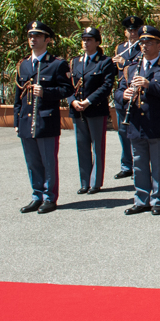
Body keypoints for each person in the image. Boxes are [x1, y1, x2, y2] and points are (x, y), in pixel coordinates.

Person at [117, 25, 160, 216]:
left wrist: (149, 85)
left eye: (149, 42)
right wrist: (125, 95)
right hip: (137, 123)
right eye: (142, 42)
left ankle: (157, 200)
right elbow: (118, 92)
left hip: (157, 123)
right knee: (139, 164)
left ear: (159, 45)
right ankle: (141, 199)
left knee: (159, 166)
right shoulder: (131, 68)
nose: (144, 46)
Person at [15, 21, 73, 214]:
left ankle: (50, 197)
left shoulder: (56, 64)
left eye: (38, 36)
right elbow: (18, 96)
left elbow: (67, 89)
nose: (33, 39)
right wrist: (17, 121)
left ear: (47, 40)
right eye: (31, 36)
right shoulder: (23, 64)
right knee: (32, 162)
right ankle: (36, 195)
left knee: (48, 161)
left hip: (46, 120)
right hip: (26, 120)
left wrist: (46, 92)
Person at [68, 26, 116, 195]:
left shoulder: (104, 62)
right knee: (81, 146)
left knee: (97, 146)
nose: (86, 43)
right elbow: (68, 86)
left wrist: (88, 101)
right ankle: (84, 182)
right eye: (84, 39)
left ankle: (95, 182)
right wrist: (72, 101)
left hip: (95, 109)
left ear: (97, 42)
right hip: (78, 110)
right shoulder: (75, 62)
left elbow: (106, 86)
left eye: (89, 40)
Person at [112, 15, 143, 179]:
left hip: (136, 93)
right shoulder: (121, 47)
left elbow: (135, 67)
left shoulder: (142, 47)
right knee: (123, 132)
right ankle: (126, 165)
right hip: (123, 93)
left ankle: (139, 165)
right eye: (130, 30)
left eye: (135, 30)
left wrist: (124, 62)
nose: (132, 33)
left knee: (136, 132)